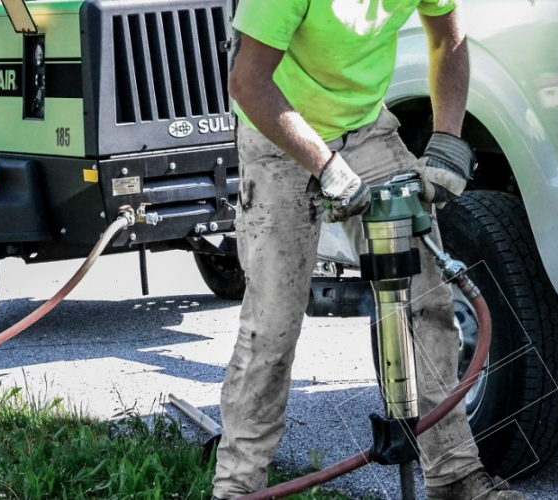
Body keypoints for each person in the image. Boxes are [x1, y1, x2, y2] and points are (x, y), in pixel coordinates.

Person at [212, 1, 526, 499]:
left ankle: (455, 475)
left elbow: (450, 40)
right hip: (277, 134)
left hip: (364, 129)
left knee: (428, 300)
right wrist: (325, 165)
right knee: (272, 327)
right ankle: (238, 487)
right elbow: (248, 83)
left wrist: (446, 138)